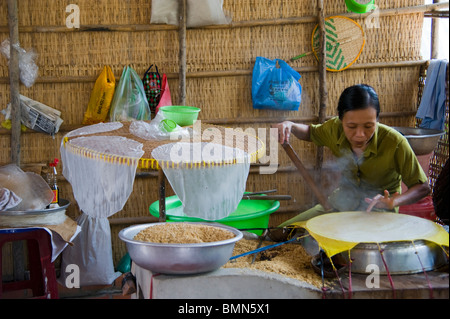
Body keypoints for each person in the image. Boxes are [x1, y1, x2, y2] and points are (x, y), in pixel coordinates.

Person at [272, 84, 431, 227]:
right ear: (341, 120)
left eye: (369, 126)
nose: (360, 134)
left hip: (376, 214)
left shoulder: (395, 143)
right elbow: (310, 133)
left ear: (377, 120)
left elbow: (422, 187)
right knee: (286, 232)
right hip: (339, 206)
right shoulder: (334, 128)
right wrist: (290, 125)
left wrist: (393, 201)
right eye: (351, 126)